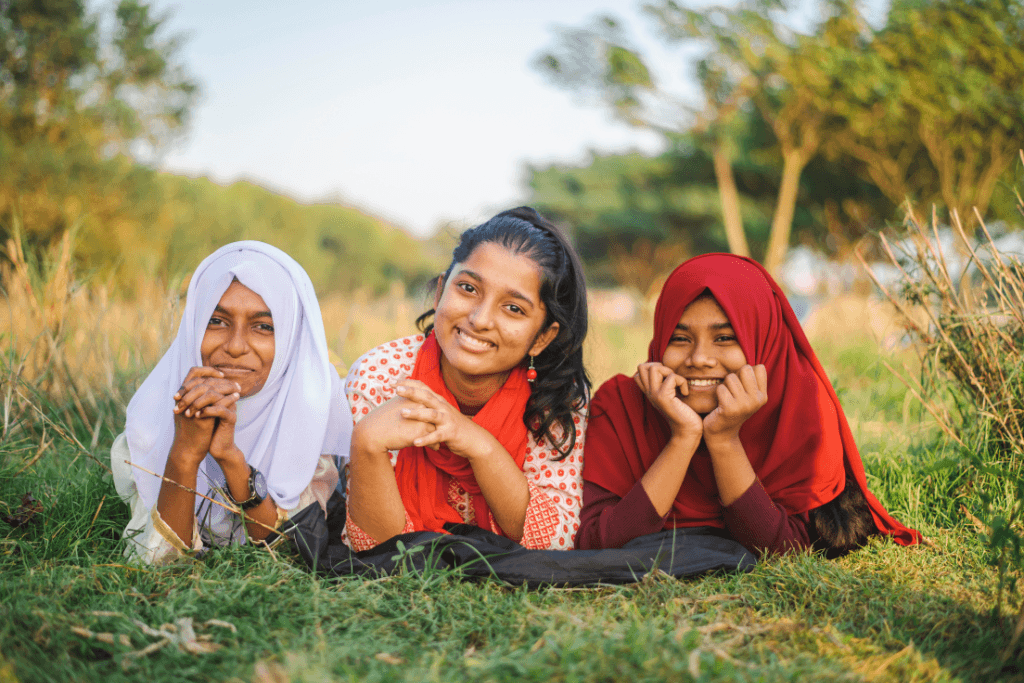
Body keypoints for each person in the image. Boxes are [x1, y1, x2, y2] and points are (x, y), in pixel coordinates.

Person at [577, 253, 921, 555]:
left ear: (763, 340)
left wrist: (724, 440)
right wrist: (683, 438)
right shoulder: (621, 406)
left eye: (725, 338)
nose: (699, 358)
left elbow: (782, 550)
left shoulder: (800, 407)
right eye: (680, 338)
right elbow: (598, 543)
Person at [343, 207, 590, 551]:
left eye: (514, 308)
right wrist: (367, 443)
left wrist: (478, 444)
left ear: (542, 337)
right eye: (468, 288)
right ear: (441, 291)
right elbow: (373, 551)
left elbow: (557, 542)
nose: (480, 319)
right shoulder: (381, 376)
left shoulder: (556, 399)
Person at [111, 241, 350, 564]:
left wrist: (230, 458)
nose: (236, 346)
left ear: (291, 337)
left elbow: (290, 555)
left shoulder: (312, 411)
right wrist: (184, 453)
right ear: (194, 326)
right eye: (216, 321)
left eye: (263, 327)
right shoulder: (150, 423)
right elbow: (158, 562)